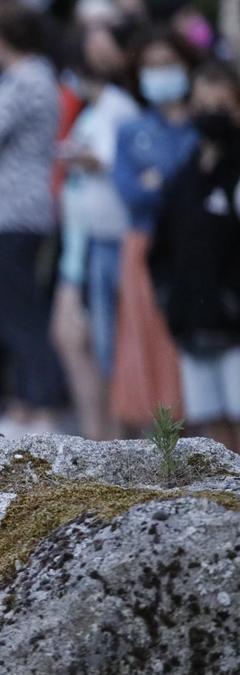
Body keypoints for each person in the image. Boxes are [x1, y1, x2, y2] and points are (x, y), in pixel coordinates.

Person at [0, 3, 64, 436]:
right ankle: (23, 404)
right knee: (9, 311)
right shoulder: (39, 77)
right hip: (11, 210)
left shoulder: (24, 81)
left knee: (19, 312)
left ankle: (40, 407)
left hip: (12, 211)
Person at [109, 28, 199, 430]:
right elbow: (132, 195)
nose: (160, 74)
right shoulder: (132, 131)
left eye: (169, 64)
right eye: (152, 66)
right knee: (149, 340)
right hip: (145, 245)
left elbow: (189, 190)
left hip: (197, 245)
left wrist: (160, 182)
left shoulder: (202, 126)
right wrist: (172, 183)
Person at [149, 61, 240, 452]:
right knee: (210, 427)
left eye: (221, 105)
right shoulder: (183, 177)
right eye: (202, 105)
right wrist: (170, 300)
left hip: (235, 327)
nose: (210, 114)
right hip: (192, 325)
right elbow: (162, 249)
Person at [51, 45, 139, 439]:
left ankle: (116, 436)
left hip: (110, 239)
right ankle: (100, 434)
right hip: (85, 241)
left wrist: (75, 155)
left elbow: (107, 160)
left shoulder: (117, 108)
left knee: (113, 346)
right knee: (90, 344)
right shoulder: (91, 111)